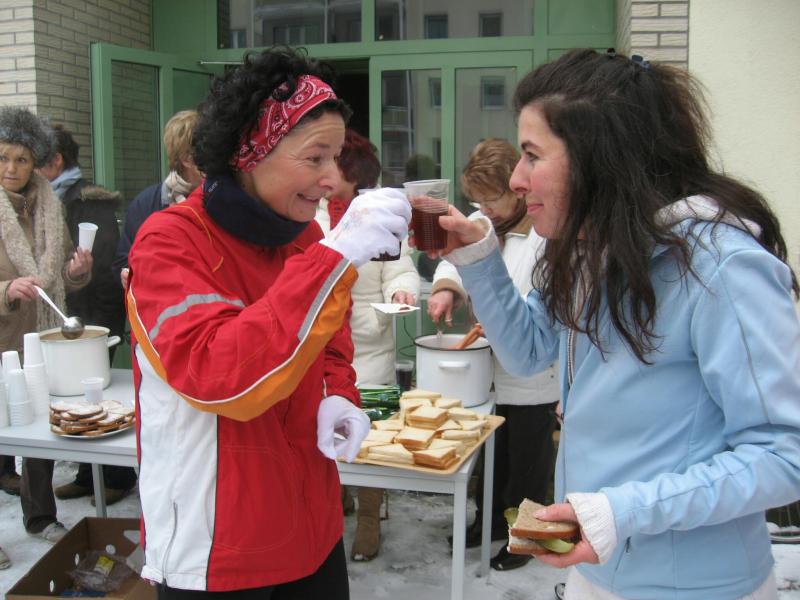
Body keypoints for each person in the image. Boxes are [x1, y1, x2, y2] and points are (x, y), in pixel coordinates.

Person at [418, 49, 800, 599]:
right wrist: (479, 259)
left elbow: (782, 455)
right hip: (597, 568)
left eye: (532, 155)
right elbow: (527, 352)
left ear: (602, 158)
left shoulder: (721, 267)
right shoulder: (586, 249)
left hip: (696, 586)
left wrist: (620, 512)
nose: (518, 179)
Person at [126, 47, 410, 597]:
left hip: (312, 526)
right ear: (249, 151)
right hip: (217, 546)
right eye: (315, 157)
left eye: (336, 158)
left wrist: (338, 394)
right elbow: (218, 376)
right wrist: (334, 260)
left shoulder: (303, 235)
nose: (332, 179)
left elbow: (330, 341)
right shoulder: (170, 241)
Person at [428, 138, 559, 571]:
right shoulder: (485, 222)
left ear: (517, 190)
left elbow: (539, 302)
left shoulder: (541, 235)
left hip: (533, 381)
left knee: (527, 466)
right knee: (493, 458)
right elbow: (454, 260)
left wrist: (503, 322)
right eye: (478, 201)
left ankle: (527, 539)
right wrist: (446, 289)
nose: (485, 209)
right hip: (490, 373)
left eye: (492, 199)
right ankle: (487, 523)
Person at [316, 129, 420, 561]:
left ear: (353, 173)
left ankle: (370, 518)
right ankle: (338, 497)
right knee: (327, 431)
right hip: (320, 348)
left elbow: (401, 268)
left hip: (370, 348)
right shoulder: (310, 212)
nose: (324, 173)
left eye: (333, 164)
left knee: (372, 439)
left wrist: (401, 290)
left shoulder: (379, 215)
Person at [0, 106, 93, 545]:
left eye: (21, 159)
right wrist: (7, 289)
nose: (11, 168)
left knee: (41, 432)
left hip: (42, 339)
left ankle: (40, 517)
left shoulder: (50, 207)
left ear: (35, 161)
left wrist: (77, 271)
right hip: (2, 339)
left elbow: (62, 279)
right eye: (2, 157)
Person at [38, 125, 137, 506]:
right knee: (78, 398)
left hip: (93, 314)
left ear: (56, 160)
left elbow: (105, 265)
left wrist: (94, 318)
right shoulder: (49, 198)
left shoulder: (88, 201)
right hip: (68, 310)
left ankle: (116, 476)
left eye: (35, 160)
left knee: (97, 394)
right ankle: (86, 473)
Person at [112, 109, 202, 288]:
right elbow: (124, 260)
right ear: (187, 159)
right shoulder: (146, 204)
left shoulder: (219, 197)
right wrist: (128, 274)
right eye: (207, 150)